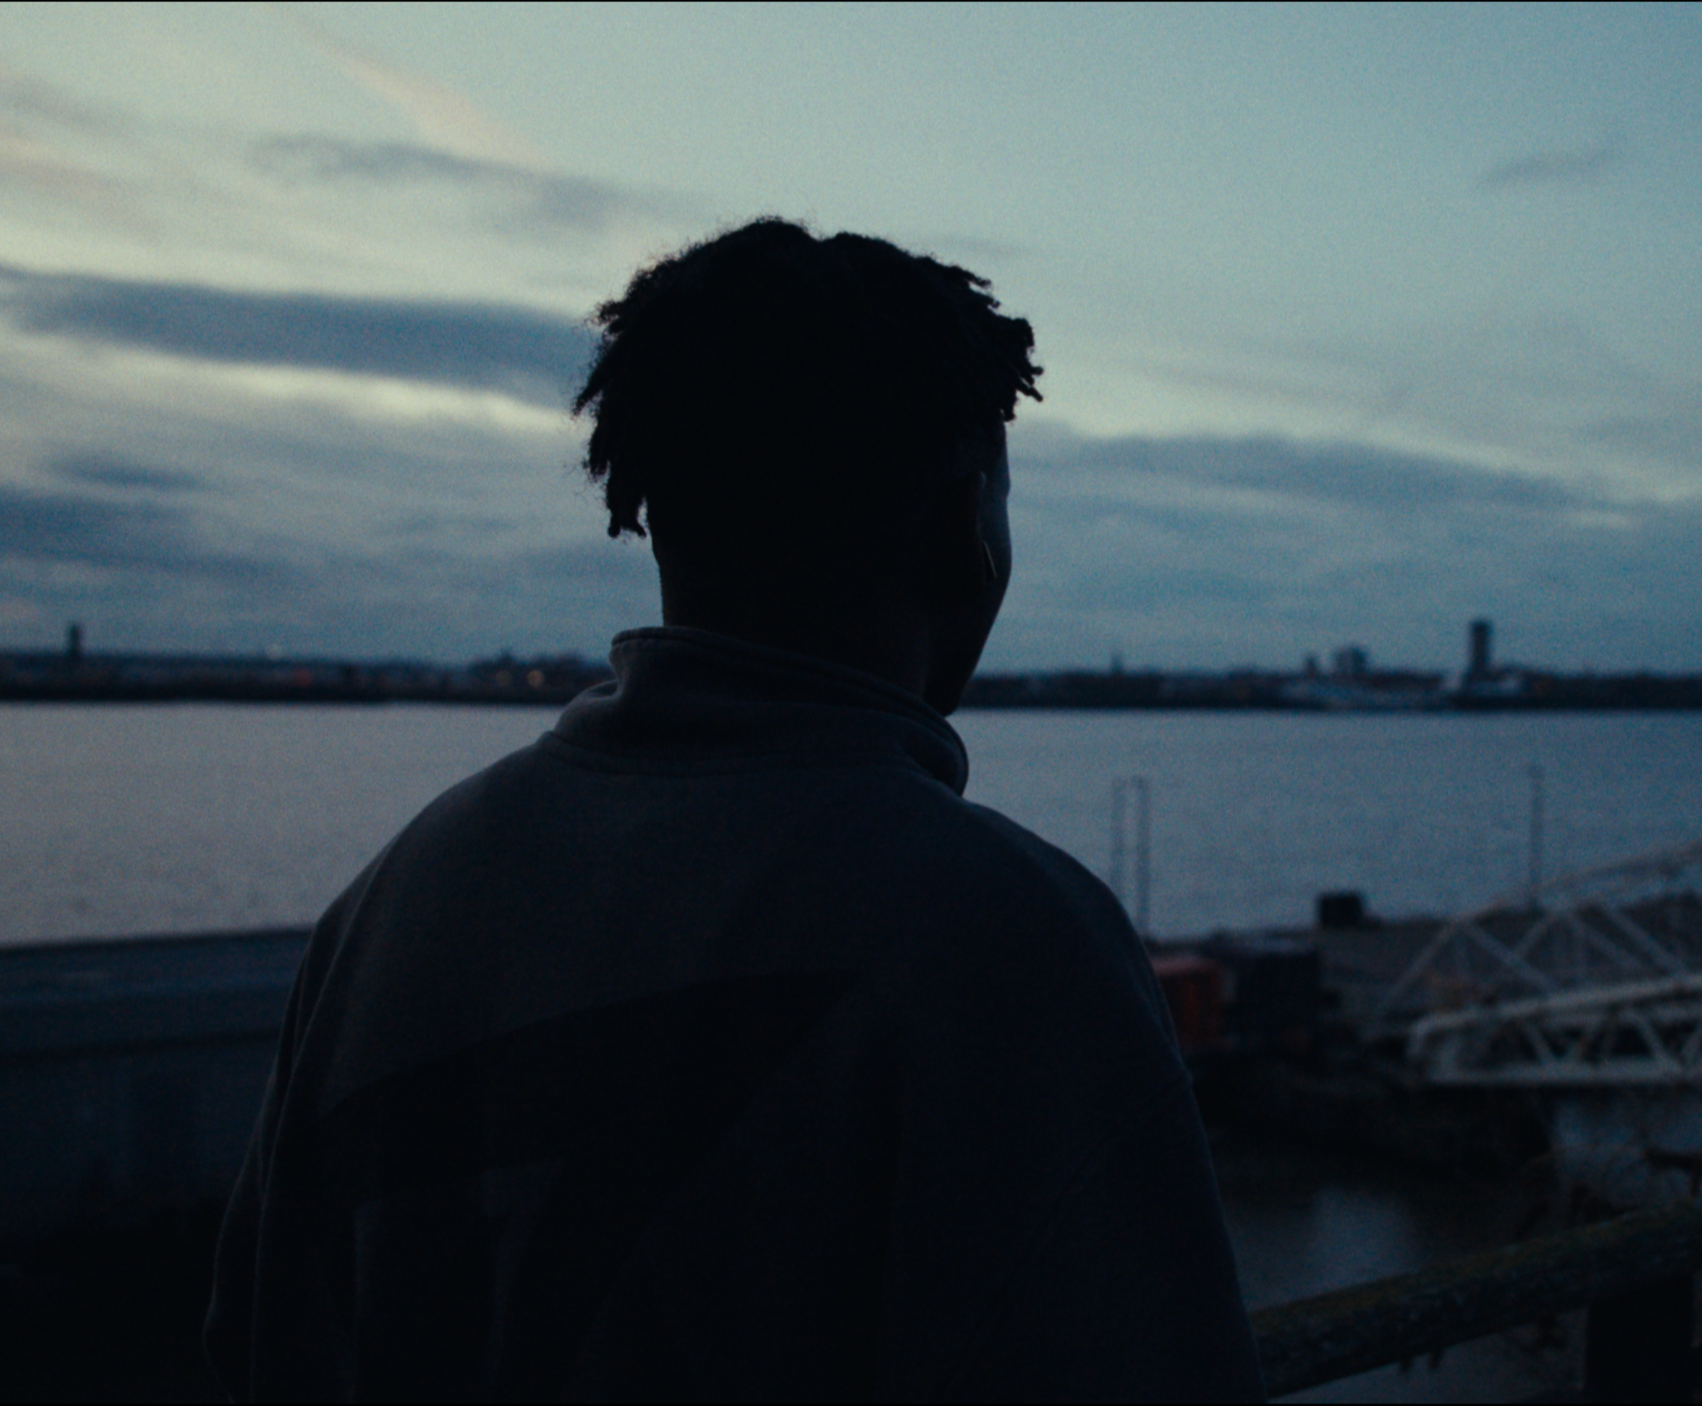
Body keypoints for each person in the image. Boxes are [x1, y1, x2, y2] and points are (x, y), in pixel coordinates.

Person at [206, 218, 1266, 1402]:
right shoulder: (1015, 946)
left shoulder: (392, 901)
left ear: (654, 510)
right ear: (967, 524)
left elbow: (261, 1342)